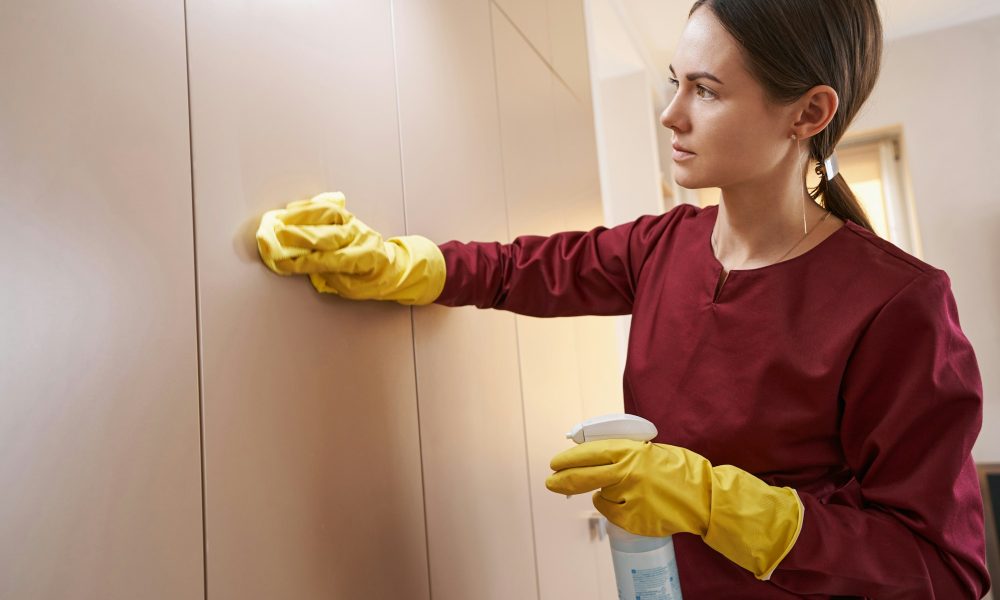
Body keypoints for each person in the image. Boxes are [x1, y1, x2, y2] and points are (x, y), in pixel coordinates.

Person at [255, 0, 990, 597]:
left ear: (808, 113)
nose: (671, 114)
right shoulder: (663, 247)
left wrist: (717, 502)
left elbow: (941, 569)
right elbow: (523, 269)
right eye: (675, 80)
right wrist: (398, 261)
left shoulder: (898, 303)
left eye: (705, 90)